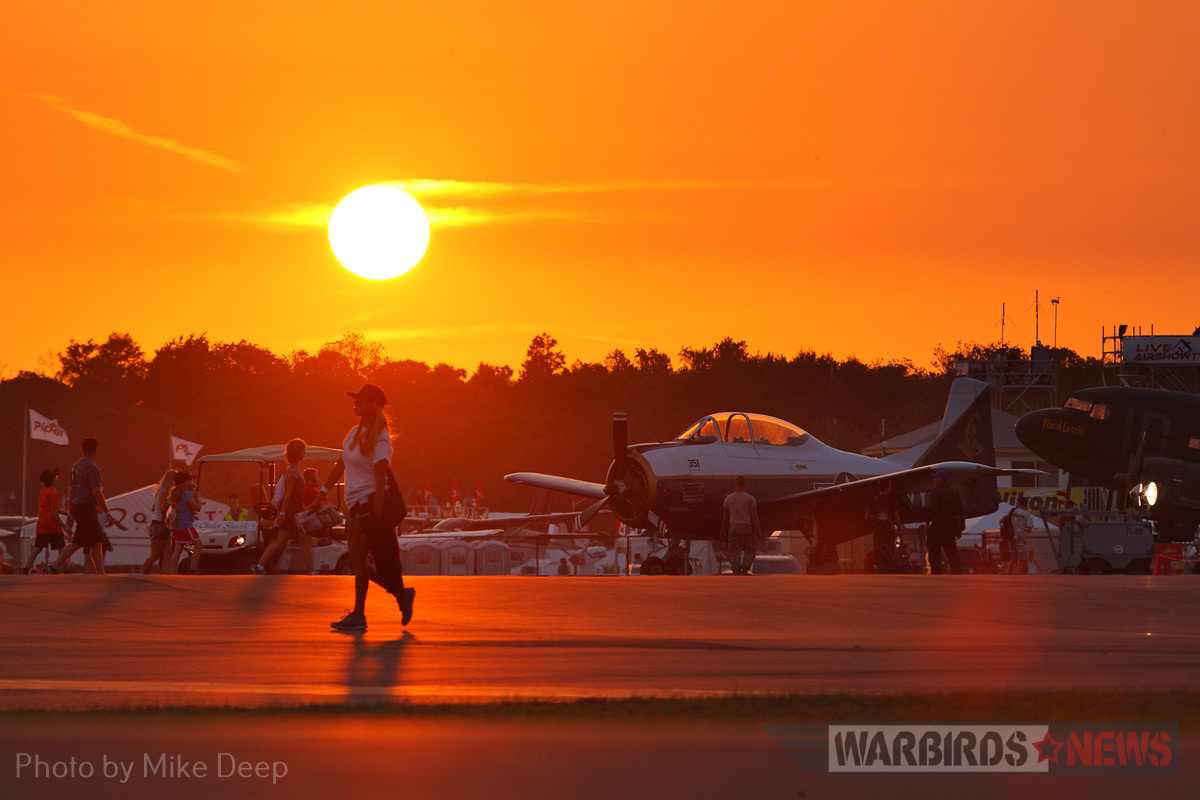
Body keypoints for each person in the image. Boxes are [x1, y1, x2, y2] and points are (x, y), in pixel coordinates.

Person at [313, 384, 413, 631]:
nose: (355, 402)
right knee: (359, 562)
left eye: (360, 399)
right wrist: (321, 495)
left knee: (363, 562)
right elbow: (340, 465)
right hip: (354, 505)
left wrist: (378, 507)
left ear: (373, 405)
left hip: (369, 504)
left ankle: (360, 615)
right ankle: (401, 594)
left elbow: (381, 473)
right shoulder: (353, 434)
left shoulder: (380, 437)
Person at [50, 438, 114, 575]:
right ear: (95, 450)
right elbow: (96, 492)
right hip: (87, 507)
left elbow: (71, 490)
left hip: (77, 506)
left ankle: (101, 572)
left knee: (97, 540)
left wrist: (70, 510)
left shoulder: (75, 466)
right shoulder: (92, 468)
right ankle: (54, 565)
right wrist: (107, 513)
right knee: (79, 541)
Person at [250, 439, 313, 574]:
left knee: (285, 541)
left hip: (295, 510)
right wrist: (282, 514)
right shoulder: (292, 471)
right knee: (300, 540)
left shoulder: (293, 469)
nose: (305, 453)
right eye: (303, 450)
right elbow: (288, 494)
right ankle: (311, 571)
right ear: (298, 452)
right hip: (293, 512)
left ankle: (260, 566)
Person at [22, 469, 68, 574]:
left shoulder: (43, 491)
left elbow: (54, 509)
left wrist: (67, 513)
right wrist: (64, 526)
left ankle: (25, 570)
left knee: (37, 548)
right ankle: (67, 571)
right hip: (53, 527)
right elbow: (54, 514)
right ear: (52, 479)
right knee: (62, 549)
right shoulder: (54, 492)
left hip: (42, 525)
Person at [720, 476, 761, 575]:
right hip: (747, 527)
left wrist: (723, 530)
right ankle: (745, 567)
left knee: (734, 549)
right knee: (750, 549)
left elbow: (725, 517)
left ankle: (735, 568)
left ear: (735, 484)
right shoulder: (750, 498)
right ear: (745, 484)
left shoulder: (729, 499)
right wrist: (757, 529)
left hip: (733, 528)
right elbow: (754, 516)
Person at [925, 470, 964, 574]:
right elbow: (960, 512)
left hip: (937, 527)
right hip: (950, 528)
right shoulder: (954, 494)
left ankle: (936, 574)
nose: (934, 480)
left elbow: (933, 510)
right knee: (952, 553)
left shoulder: (935, 493)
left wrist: (927, 522)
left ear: (940, 480)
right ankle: (957, 573)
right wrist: (960, 528)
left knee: (934, 553)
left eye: (935, 478)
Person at [167, 471, 204, 574]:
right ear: (185, 482)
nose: (192, 481)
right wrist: (198, 498)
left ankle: (172, 572)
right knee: (199, 545)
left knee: (178, 550)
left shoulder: (176, 493)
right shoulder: (187, 494)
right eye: (190, 480)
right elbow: (197, 508)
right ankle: (193, 569)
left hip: (177, 526)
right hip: (186, 524)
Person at [141, 470, 177, 574]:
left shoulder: (162, 492)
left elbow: (153, 508)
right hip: (158, 525)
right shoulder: (164, 492)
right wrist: (172, 509)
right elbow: (161, 508)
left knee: (168, 554)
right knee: (155, 555)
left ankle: (165, 574)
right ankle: (142, 572)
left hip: (163, 525)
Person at [865, 480, 903, 573]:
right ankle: (889, 570)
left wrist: (874, 520)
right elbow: (896, 518)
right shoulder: (892, 501)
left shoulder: (873, 500)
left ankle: (878, 569)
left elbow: (866, 517)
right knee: (890, 552)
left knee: (877, 551)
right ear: (887, 488)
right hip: (889, 532)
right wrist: (900, 529)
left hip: (877, 532)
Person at [1005, 496, 1035, 575]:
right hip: (1020, 537)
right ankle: (1021, 575)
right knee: (1022, 559)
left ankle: (1009, 574)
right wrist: (1022, 528)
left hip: (1011, 537)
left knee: (1013, 558)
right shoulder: (1026, 514)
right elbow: (1029, 529)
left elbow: (1002, 520)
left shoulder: (1012, 511)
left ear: (1018, 503)